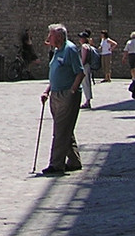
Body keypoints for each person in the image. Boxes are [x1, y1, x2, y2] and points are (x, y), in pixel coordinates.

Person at [39, 24, 85, 175]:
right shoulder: (57, 50)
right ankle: (74, 161)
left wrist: (72, 91)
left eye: (50, 35)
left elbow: (80, 73)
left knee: (60, 131)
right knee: (64, 129)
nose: (48, 38)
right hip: (55, 94)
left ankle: (56, 164)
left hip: (67, 94)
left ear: (59, 37)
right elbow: (55, 74)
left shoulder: (70, 49)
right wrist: (47, 91)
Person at [77, 31, 97, 109]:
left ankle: (87, 101)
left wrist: (81, 67)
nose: (80, 39)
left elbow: (84, 58)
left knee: (86, 84)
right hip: (88, 66)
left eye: (81, 38)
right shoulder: (89, 46)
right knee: (86, 83)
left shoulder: (84, 46)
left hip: (85, 67)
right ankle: (87, 100)